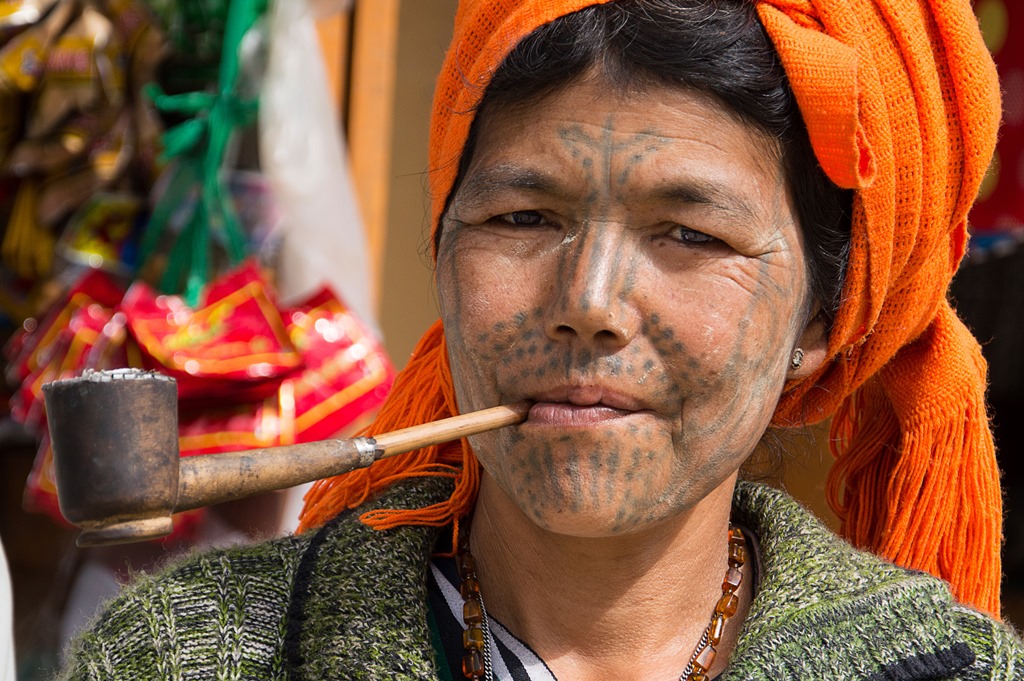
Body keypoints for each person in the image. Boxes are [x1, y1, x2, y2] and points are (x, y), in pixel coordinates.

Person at [59, 0, 1023, 679]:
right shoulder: (199, 654)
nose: (590, 301)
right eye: (523, 217)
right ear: (440, 251)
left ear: (820, 322)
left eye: (690, 233)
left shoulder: (944, 671)